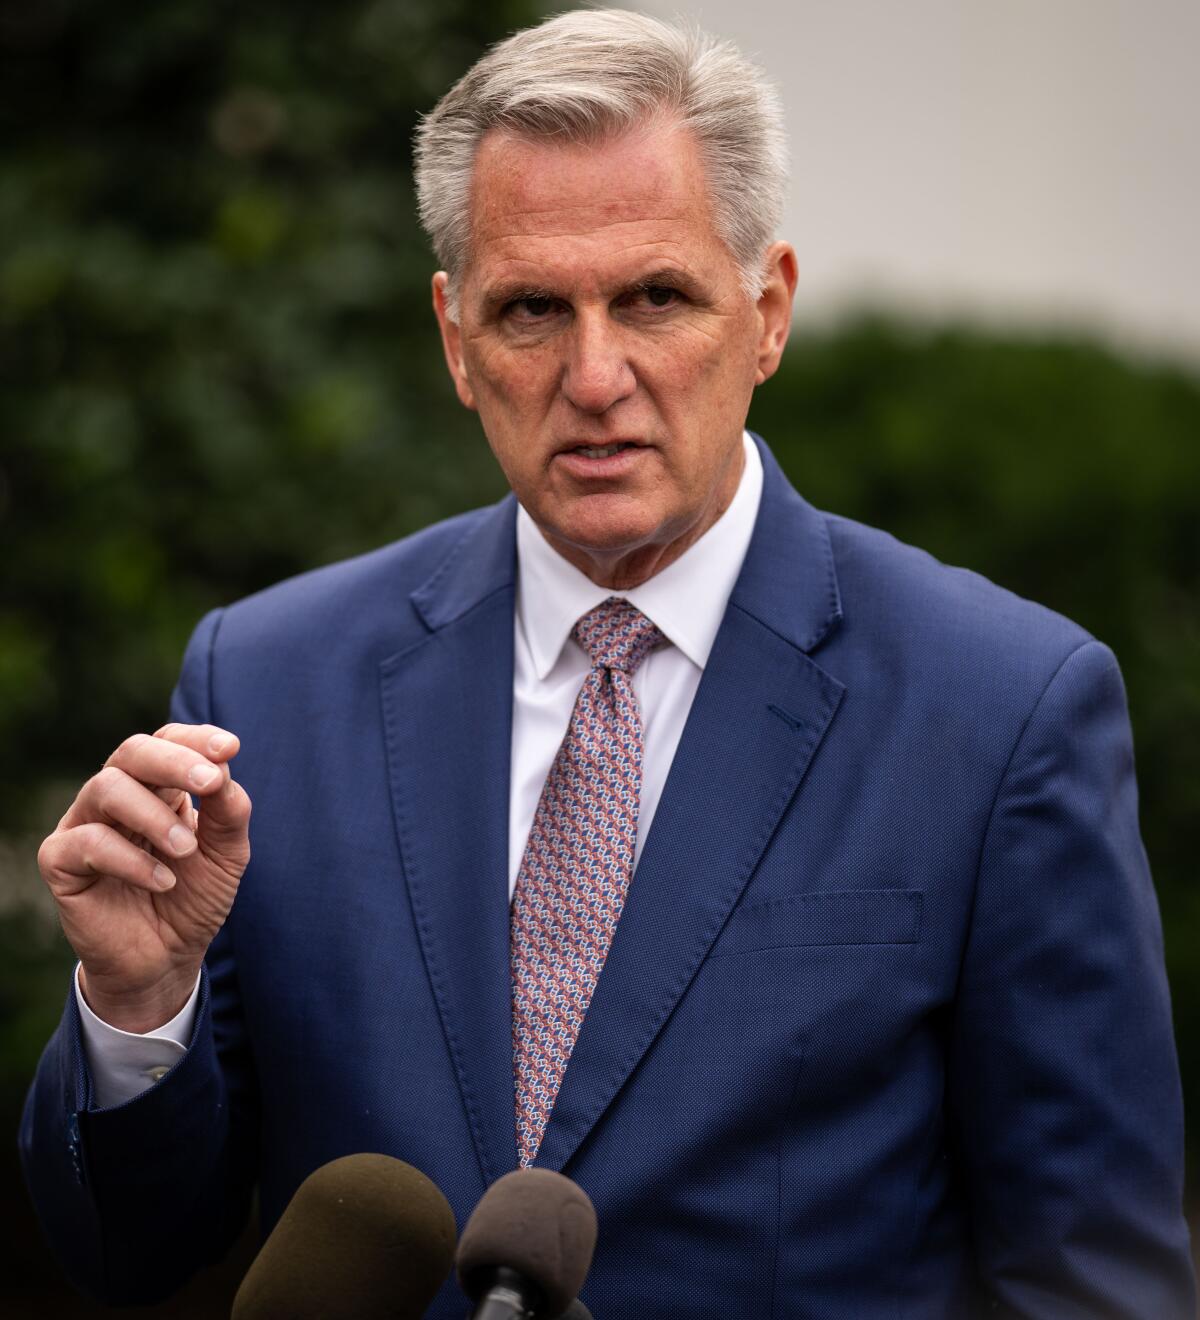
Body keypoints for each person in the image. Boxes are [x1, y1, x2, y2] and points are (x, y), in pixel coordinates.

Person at [19, 10, 1195, 1317]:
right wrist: (137, 1006)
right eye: (531, 309)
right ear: (456, 340)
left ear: (768, 313)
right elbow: (129, 1254)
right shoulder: (272, 684)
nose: (595, 375)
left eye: (654, 297)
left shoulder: (1001, 708)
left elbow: (1096, 1281)